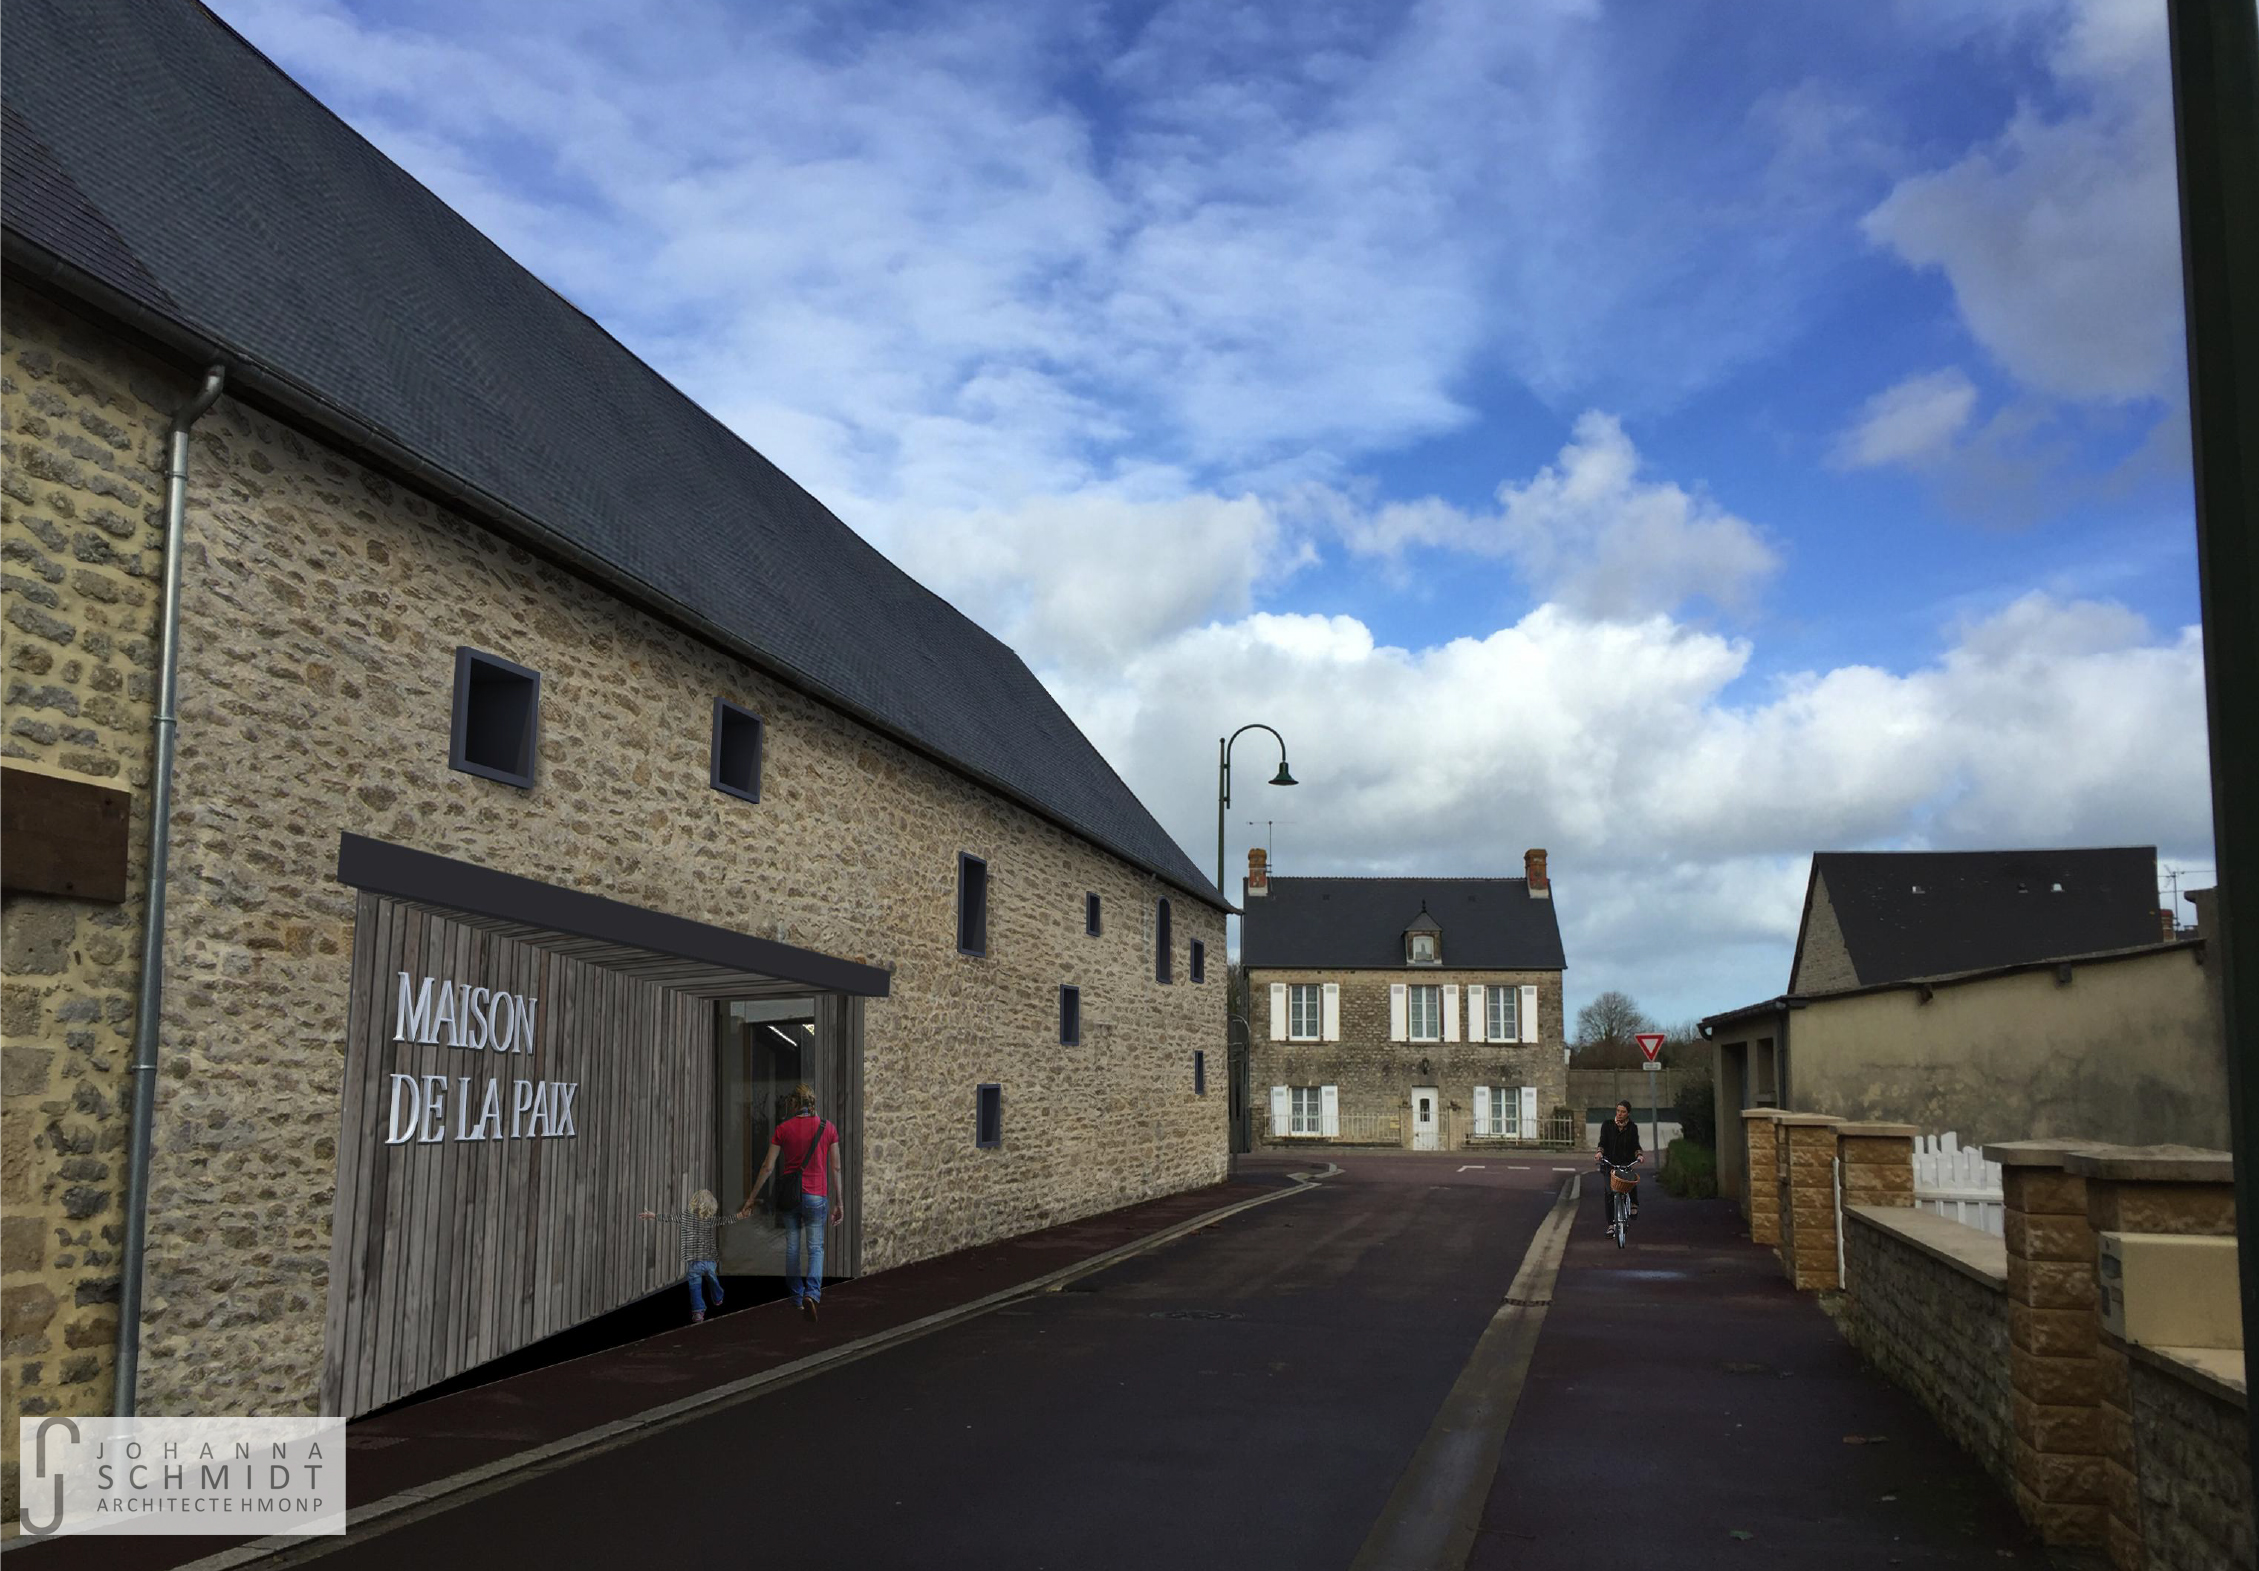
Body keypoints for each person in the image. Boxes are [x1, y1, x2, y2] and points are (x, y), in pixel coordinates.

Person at [738, 1082, 842, 1321]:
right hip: (817, 1195)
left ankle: (796, 1298)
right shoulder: (828, 1128)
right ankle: (812, 1294)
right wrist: (840, 1202)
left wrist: (751, 1198)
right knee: (816, 1248)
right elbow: (836, 1167)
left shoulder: (783, 1129)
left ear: (794, 1103)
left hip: (791, 1197)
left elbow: (767, 1167)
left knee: (793, 1248)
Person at [638, 1188, 732, 1323]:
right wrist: (654, 1216)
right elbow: (671, 1218)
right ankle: (698, 1311)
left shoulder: (707, 1219)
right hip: (694, 1260)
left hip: (706, 1258)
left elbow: (724, 1221)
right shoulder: (689, 1218)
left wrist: (740, 1216)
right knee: (696, 1283)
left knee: (709, 1278)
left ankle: (716, 1297)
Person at [1595, 1099, 1643, 1234]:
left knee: (1630, 1180)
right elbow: (1603, 1141)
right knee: (1609, 1193)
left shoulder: (1632, 1127)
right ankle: (1611, 1225)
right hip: (1609, 1163)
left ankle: (1634, 1204)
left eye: (1623, 1112)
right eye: (1618, 1111)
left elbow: (1635, 1144)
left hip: (1625, 1162)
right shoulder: (1607, 1125)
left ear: (1628, 1113)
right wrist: (1599, 1152)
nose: (1620, 1114)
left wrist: (1639, 1155)